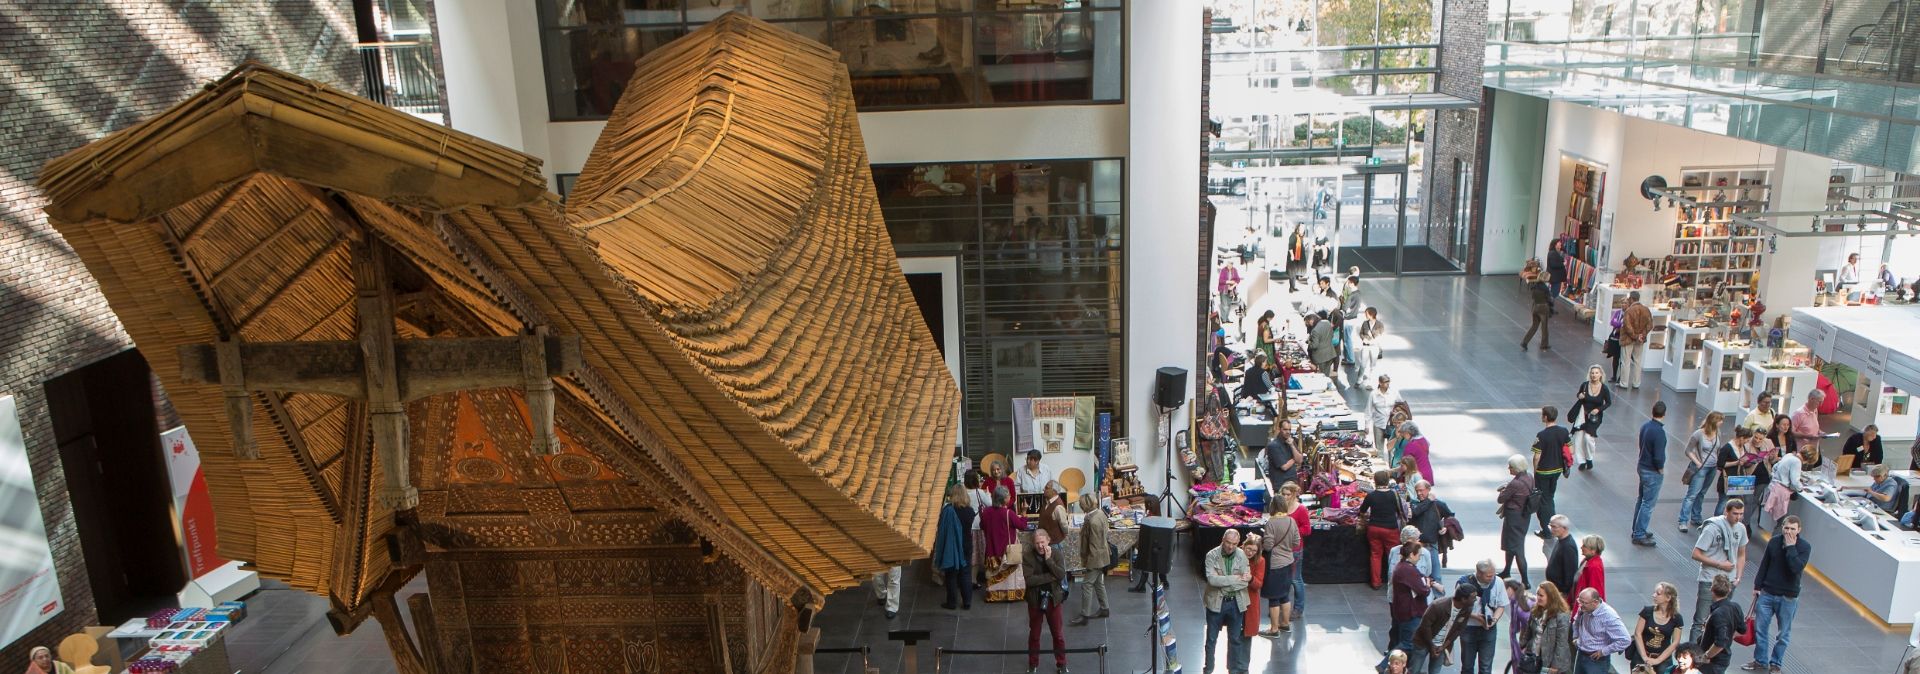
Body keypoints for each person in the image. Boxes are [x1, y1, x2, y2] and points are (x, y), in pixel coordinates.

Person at [1747, 515, 1809, 673]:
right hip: (1767, 593)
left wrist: (1790, 547)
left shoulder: (1804, 547)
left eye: (1792, 529)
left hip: (1788, 597)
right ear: (1782, 527)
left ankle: (1776, 664)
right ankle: (1760, 661)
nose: (1788, 532)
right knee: (1760, 629)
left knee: (1783, 634)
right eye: (1786, 528)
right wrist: (1757, 585)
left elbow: (1795, 568)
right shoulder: (1774, 542)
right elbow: (1765, 564)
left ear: (1799, 530)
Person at [1689, 500, 1748, 643]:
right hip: (1709, 579)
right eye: (1735, 513)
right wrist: (1720, 565)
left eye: (1741, 514)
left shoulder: (1741, 528)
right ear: (1726, 511)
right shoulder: (1712, 528)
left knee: (1721, 618)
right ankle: (1693, 651)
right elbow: (1696, 554)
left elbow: (1741, 553)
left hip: (1729, 581)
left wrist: (1738, 576)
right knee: (1701, 620)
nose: (1738, 517)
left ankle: (1710, 649)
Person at [1202, 529, 1252, 674]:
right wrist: (1235, 578)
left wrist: (1223, 581)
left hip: (1236, 603)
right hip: (1216, 602)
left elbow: (1245, 582)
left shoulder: (1242, 555)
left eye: (1234, 544)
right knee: (1211, 640)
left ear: (1238, 543)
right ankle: (1208, 669)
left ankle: (1233, 670)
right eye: (1228, 543)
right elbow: (1212, 580)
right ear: (1223, 540)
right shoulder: (1212, 555)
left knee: (1235, 639)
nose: (1231, 546)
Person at [1025, 528, 1070, 674]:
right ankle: (1033, 664)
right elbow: (1029, 580)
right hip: (1035, 600)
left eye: (1042, 542)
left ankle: (1061, 664)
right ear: (1033, 543)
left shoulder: (1056, 554)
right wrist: (1050, 577)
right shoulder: (1028, 556)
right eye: (1037, 543)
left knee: (1058, 634)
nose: (1040, 546)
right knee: (1034, 634)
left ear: (1048, 541)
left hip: (1053, 599)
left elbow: (1061, 574)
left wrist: (1049, 560)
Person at [1457, 560, 1510, 674]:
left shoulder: (1498, 582)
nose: (1492, 578)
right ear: (1479, 573)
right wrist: (1476, 617)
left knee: (1486, 668)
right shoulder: (1464, 583)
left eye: (1493, 574)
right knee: (1467, 666)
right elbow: (1457, 608)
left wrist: (1494, 620)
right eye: (1489, 576)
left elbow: (1501, 605)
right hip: (1469, 628)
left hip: (1489, 629)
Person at [1413, 584, 1478, 674]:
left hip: (1442, 646)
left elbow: (1459, 629)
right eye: (1473, 597)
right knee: (1414, 670)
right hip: (1423, 643)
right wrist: (1431, 646)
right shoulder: (1438, 606)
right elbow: (1425, 626)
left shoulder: (1467, 609)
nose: (1476, 599)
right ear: (1463, 599)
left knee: (1435, 671)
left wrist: (1443, 646)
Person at [1359, 470, 1408, 589]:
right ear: (1387, 481)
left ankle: (1376, 582)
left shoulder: (1371, 496)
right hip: (1391, 529)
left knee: (1375, 555)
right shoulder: (1393, 495)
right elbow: (1400, 511)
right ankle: (1394, 582)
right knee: (1393, 555)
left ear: (1375, 481)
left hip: (1374, 528)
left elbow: (1362, 511)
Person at [1260, 494, 1300, 636]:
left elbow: (1268, 545)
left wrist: (1261, 542)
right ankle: (1285, 624)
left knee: (1274, 598)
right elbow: (1296, 542)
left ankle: (1274, 629)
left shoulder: (1271, 523)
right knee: (1285, 596)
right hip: (1288, 562)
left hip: (1275, 565)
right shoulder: (1291, 521)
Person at [1678, 412, 1726, 533]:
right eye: (1720, 420)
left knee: (1702, 493)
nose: (1722, 423)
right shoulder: (1699, 434)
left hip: (1712, 468)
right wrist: (1697, 462)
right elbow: (1688, 450)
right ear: (1714, 421)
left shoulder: (1718, 433)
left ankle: (1696, 516)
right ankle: (1683, 520)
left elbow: (1718, 450)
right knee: (1692, 494)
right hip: (1701, 468)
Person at [1387, 542, 1432, 667]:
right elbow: (1423, 590)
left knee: (1406, 642)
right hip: (1410, 612)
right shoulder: (1408, 570)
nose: (1419, 558)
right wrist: (1427, 585)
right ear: (1412, 554)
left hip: (1404, 610)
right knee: (1408, 643)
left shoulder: (1402, 567)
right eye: (1419, 555)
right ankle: (1385, 665)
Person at [983, 487, 1029, 602]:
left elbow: (982, 525)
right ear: (1004, 499)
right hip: (1007, 550)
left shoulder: (986, 512)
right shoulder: (1009, 513)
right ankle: (1012, 595)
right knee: (1011, 578)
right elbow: (1022, 526)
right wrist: (1024, 513)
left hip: (991, 550)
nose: (1010, 497)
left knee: (992, 574)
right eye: (1008, 496)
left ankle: (993, 596)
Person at [935, 483, 977, 610]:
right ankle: (967, 602)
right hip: (966, 545)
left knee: (951, 574)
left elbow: (941, 528)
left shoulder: (948, 510)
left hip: (951, 546)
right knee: (966, 573)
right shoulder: (970, 511)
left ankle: (952, 602)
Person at [1633, 401, 1670, 546]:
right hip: (1651, 471)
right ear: (1664, 414)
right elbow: (1658, 456)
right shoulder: (1659, 432)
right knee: (1648, 503)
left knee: (1641, 500)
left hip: (1642, 466)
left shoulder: (1645, 426)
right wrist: (1660, 469)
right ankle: (1639, 533)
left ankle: (1637, 528)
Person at [1070, 493, 1109, 625]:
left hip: (1096, 558)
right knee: (1098, 583)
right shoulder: (1100, 514)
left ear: (1086, 505)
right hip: (1101, 555)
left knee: (1086, 585)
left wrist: (1090, 562)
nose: (1080, 506)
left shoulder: (1093, 521)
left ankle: (1084, 615)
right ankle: (1104, 608)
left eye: (1081, 504)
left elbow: (1095, 544)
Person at [1630, 582, 1686, 674]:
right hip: (1642, 654)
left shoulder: (1677, 618)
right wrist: (1644, 657)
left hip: (1663, 659)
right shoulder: (1647, 611)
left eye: (1658, 593)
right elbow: (1637, 634)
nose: (1654, 595)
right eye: (1654, 592)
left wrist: (1658, 660)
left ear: (1668, 598)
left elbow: (1675, 642)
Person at [1534, 406, 1572, 538]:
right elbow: (1571, 450)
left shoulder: (1541, 435)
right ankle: (1553, 525)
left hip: (1543, 471)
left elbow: (1537, 456)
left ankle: (1548, 529)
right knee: (1550, 496)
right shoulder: (1563, 431)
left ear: (1545, 417)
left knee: (1544, 500)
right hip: (1557, 470)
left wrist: (1535, 470)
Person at [1573, 588, 1633, 674]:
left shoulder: (1608, 616)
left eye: (1584, 603)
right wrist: (1575, 637)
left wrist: (1603, 652)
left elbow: (1625, 640)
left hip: (1597, 661)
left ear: (1595, 602)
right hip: (1580, 654)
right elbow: (1576, 621)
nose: (1580, 605)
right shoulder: (1583, 608)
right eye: (1579, 601)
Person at [1497, 455, 1536, 585]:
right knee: (1512, 545)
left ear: (1517, 468)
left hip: (1514, 518)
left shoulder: (1515, 483)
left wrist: (1504, 489)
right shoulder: (1529, 476)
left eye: (1511, 467)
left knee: (1518, 549)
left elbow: (1501, 499)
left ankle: (1525, 580)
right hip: (1524, 516)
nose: (1509, 469)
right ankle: (1507, 570)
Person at [1277, 481, 1311, 619]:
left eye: (1288, 494)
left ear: (1294, 494)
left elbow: (1307, 529)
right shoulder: (1280, 507)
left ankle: (1298, 608)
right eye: (1283, 494)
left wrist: (1291, 532)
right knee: (1281, 579)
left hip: (1294, 549)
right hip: (1281, 549)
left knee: (1295, 579)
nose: (1285, 497)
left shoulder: (1301, 509)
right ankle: (1281, 607)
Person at [1569, 365, 1613, 471]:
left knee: (1588, 438)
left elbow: (1608, 402)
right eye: (1592, 373)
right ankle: (1582, 461)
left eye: (1596, 373)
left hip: (1594, 417)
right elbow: (1578, 394)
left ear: (1600, 374)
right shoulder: (1584, 385)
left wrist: (1598, 409)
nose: (1594, 375)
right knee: (1579, 439)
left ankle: (1589, 458)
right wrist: (1579, 396)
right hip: (1582, 415)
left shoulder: (1604, 388)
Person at [1526, 582, 1575, 674]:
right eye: (1537, 594)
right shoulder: (1535, 611)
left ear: (1551, 597)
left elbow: (1561, 643)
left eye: (1541, 595)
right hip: (1534, 657)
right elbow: (1528, 632)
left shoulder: (1562, 615)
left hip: (1550, 662)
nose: (1538, 597)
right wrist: (1524, 647)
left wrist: (1555, 665)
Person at [1408, 480, 1452, 581]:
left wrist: (1445, 526)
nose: (1419, 493)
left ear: (1428, 490)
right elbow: (1416, 512)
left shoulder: (1438, 504)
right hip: (1416, 545)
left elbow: (1450, 517)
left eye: (1421, 490)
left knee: (1436, 576)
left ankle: (1438, 590)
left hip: (1431, 544)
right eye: (1417, 491)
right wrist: (1428, 500)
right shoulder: (1414, 504)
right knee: (1418, 575)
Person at [1699, 575, 1744, 674]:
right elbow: (1742, 630)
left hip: (1713, 661)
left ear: (1712, 589)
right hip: (1724, 658)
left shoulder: (1718, 613)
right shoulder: (1735, 607)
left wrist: (1707, 656)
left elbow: (1720, 642)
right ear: (1729, 590)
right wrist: (1729, 635)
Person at [1620, 291, 1654, 389]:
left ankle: (1624, 383)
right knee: (1638, 361)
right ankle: (1636, 383)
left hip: (1628, 339)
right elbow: (1650, 325)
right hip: (1640, 340)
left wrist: (1635, 336)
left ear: (1631, 299)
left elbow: (1627, 326)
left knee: (1625, 361)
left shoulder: (1629, 311)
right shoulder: (1646, 310)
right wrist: (1642, 335)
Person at [1545, 514, 1580, 596]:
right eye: (1550, 526)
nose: (1551, 529)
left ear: (1564, 528)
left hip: (1560, 592)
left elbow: (1570, 573)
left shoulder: (1568, 547)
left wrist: (1564, 593)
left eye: (1554, 527)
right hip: (1555, 590)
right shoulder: (1561, 541)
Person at [1368, 375, 1403, 456]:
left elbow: (1401, 405)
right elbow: (1368, 410)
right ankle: (1381, 464)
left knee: (1392, 450)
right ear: (1380, 383)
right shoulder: (1374, 394)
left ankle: (1392, 464)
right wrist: (1367, 426)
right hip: (1378, 424)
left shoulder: (1394, 392)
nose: (1387, 383)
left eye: (1388, 382)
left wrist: (1397, 412)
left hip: (1391, 425)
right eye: (1385, 382)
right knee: (1379, 450)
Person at [1240, 533, 1266, 638]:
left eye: (1254, 550)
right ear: (1244, 546)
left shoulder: (1260, 561)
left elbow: (1259, 584)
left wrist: (1251, 579)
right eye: (1249, 549)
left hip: (1249, 599)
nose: (1251, 553)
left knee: (1247, 631)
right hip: (1234, 596)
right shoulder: (1236, 554)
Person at [1265, 417, 1300, 492]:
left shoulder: (1291, 442)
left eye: (1289, 430)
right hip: (1281, 485)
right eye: (1285, 429)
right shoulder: (1273, 446)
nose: (1288, 432)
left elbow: (1300, 460)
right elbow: (1284, 467)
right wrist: (1294, 458)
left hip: (1292, 483)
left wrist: (1292, 445)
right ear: (1279, 429)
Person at [1505, 579, 1533, 670]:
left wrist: (1525, 644)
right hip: (1524, 639)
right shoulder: (1515, 602)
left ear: (1510, 589)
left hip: (1528, 639)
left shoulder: (1523, 604)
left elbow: (1530, 626)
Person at [1788, 390, 1825, 457]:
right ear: (1811, 399)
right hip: (1802, 451)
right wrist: (1807, 436)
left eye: (1822, 402)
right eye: (1819, 401)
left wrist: (1820, 432)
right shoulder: (1799, 413)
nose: (1821, 404)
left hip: (1813, 448)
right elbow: (1791, 432)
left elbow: (1814, 426)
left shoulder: (1815, 410)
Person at [1523, 271, 1554, 351]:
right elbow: (1549, 299)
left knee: (1534, 326)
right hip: (1543, 308)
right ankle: (1544, 345)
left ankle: (1525, 342)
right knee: (1544, 327)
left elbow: (1533, 297)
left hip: (1535, 307)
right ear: (1545, 278)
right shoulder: (1545, 289)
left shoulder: (1534, 286)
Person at [1573, 535, 1607, 601]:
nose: (1581, 547)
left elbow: (1595, 594)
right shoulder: (1586, 561)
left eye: (1584, 546)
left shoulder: (1595, 567)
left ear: (1593, 550)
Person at [1400, 421, 1434, 486]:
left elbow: (1404, 465)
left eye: (1403, 434)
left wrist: (1392, 472)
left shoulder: (1411, 445)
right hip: (1427, 473)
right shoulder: (1423, 440)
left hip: (1417, 477)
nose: (1403, 436)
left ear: (1407, 433)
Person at [1310, 309, 1341, 381]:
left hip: (1323, 355)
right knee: (1326, 374)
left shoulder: (1317, 329)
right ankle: (1327, 380)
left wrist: (1310, 343)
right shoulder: (1327, 323)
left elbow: (1315, 345)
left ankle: (1328, 377)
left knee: (1321, 374)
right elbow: (1331, 335)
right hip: (1330, 352)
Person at [1357, 307, 1385, 383]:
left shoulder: (1379, 325)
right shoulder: (1365, 323)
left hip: (1374, 346)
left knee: (1373, 365)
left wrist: (1373, 340)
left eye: (1366, 314)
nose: (1365, 315)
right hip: (1365, 346)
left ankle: (1371, 380)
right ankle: (1359, 378)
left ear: (1371, 314)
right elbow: (1361, 333)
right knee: (1363, 364)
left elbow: (1381, 336)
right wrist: (1363, 339)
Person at [1548, 239, 1569, 309]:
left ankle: (1550, 307)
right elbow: (1553, 264)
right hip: (1555, 277)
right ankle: (1549, 307)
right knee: (1555, 292)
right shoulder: (1553, 253)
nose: (1560, 244)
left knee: (1554, 292)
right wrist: (1563, 264)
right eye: (1559, 243)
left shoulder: (1555, 252)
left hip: (1556, 277)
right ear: (1555, 244)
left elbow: (1557, 261)